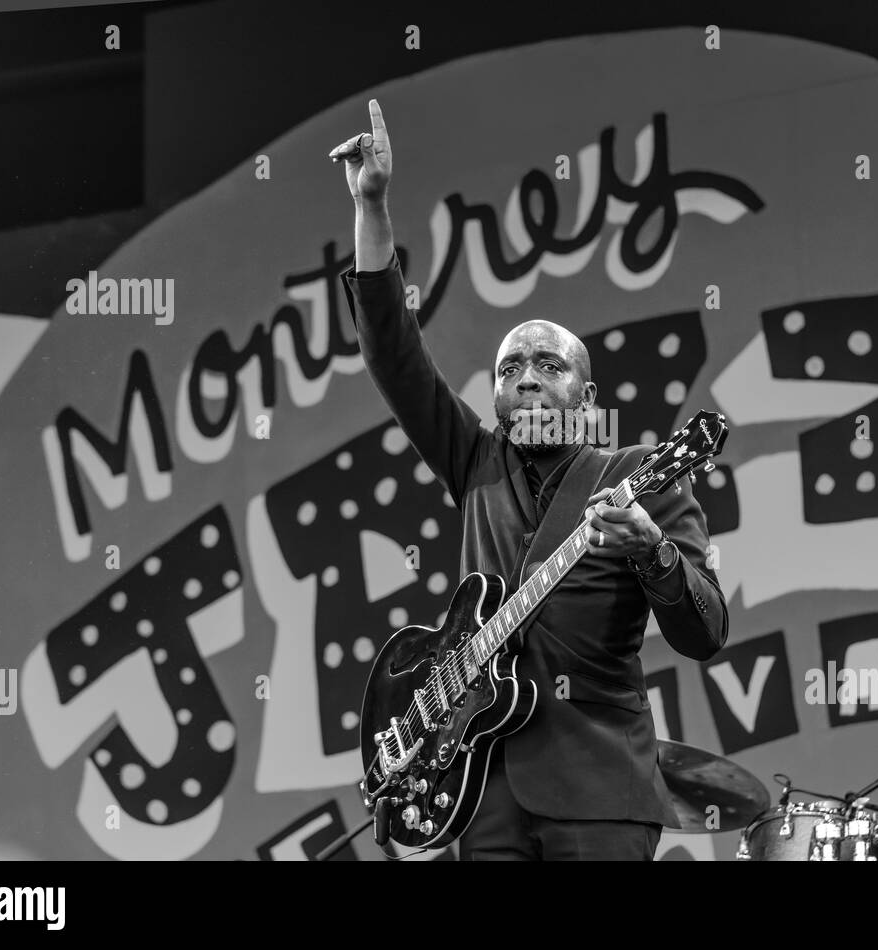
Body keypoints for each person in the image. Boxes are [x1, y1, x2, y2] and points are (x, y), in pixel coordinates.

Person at [330, 100, 728, 860]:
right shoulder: (473, 461)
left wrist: (652, 550)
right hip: (482, 789)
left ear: (588, 396)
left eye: (551, 366)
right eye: (510, 367)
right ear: (495, 396)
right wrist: (372, 206)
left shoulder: (639, 476)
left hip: (599, 786)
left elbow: (704, 631)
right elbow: (392, 354)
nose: (527, 378)